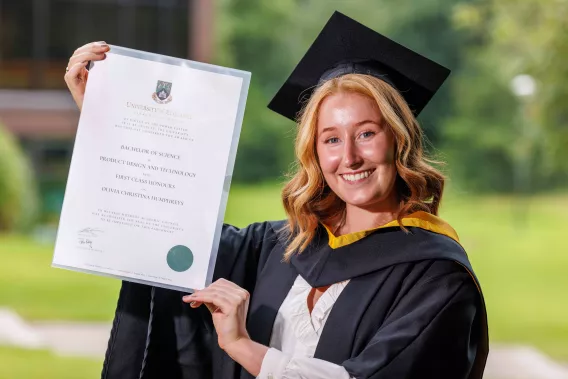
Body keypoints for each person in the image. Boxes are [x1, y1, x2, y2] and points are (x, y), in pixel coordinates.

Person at [65, 11, 488, 379]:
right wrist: (107, 118)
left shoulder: (437, 277)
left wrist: (242, 346)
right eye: (331, 139)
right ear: (314, 154)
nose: (351, 157)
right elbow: (167, 227)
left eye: (366, 133)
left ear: (398, 140)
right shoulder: (280, 246)